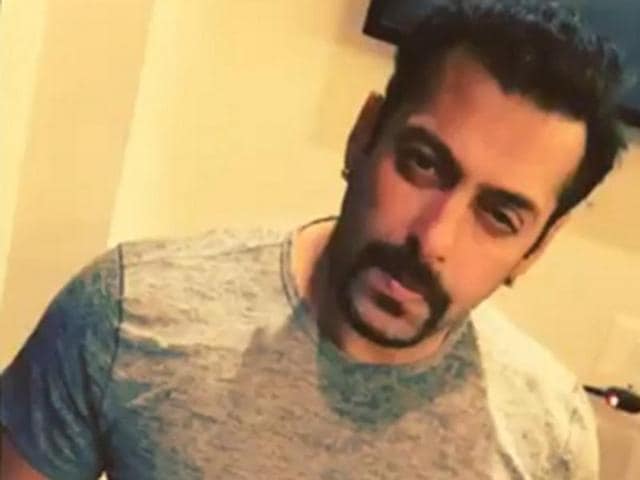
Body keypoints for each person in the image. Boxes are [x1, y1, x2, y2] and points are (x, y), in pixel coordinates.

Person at [0, 1, 628, 479]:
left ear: (536, 248)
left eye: (499, 215)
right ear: (364, 136)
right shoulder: (127, 314)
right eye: (422, 164)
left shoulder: (549, 434)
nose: (433, 237)